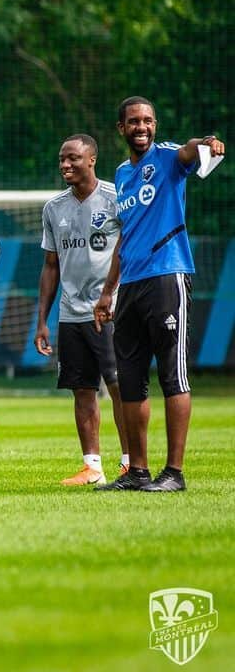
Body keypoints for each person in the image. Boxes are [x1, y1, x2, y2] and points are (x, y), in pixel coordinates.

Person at [93, 96, 224, 492]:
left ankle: (175, 473)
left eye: (148, 120)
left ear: (155, 125)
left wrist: (208, 141)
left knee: (172, 375)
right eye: (134, 121)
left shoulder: (167, 157)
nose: (142, 127)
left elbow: (190, 149)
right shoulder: (121, 174)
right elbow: (125, 236)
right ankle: (137, 472)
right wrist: (107, 292)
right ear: (121, 128)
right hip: (130, 285)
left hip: (167, 277)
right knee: (130, 381)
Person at [34, 134, 129, 486]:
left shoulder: (116, 199)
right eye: (62, 158)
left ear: (92, 159)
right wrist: (42, 320)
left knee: (120, 385)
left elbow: (128, 250)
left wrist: (111, 295)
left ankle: (129, 462)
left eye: (73, 158)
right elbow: (50, 266)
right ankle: (92, 467)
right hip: (71, 315)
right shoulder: (53, 208)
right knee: (81, 388)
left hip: (110, 312)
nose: (65, 165)